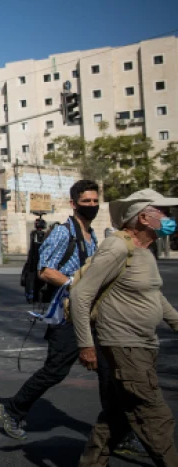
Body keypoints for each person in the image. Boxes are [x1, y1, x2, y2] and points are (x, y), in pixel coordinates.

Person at [73, 189, 178, 466]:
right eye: (162, 213)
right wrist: (86, 345)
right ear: (143, 217)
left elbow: (154, 295)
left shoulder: (145, 251)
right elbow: (81, 294)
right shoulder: (117, 246)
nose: (169, 218)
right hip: (123, 342)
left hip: (143, 342)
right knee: (155, 414)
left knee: (119, 414)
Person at [0, 180, 105, 440]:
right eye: (86, 201)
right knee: (56, 369)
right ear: (73, 204)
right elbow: (45, 270)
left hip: (91, 312)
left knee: (110, 369)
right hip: (66, 312)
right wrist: (73, 285)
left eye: (94, 201)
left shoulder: (92, 236)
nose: (91, 205)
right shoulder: (63, 233)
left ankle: (119, 430)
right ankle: (13, 408)